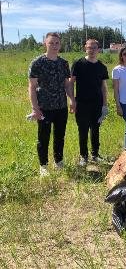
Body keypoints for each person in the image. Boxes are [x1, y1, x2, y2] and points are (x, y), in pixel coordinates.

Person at [28, 32, 75, 177]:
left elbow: (67, 85)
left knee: (59, 136)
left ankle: (58, 161)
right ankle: (43, 166)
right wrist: (35, 108)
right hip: (44, 107)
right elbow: (32, 87)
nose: (54, 46)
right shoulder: (37, 63)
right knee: (43, 138)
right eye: (51, 43)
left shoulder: (63, 63)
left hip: (61, 106)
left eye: (57, 43)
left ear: (60, 45)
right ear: (45, 44)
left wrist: (72, 100)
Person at [70, 39, 109, 166]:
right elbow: (71, 83)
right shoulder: (78, 63)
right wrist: (72, 100)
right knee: (83, 130)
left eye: (94, 47)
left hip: (97, 104)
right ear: (85, 48)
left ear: (98, 49)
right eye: (89, 47)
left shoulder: (102, 67)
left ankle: (95, 154)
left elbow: (104, 87)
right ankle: (83, 156)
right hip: (81, 103)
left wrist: (105, 105)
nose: (92, 50)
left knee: (95, 129)